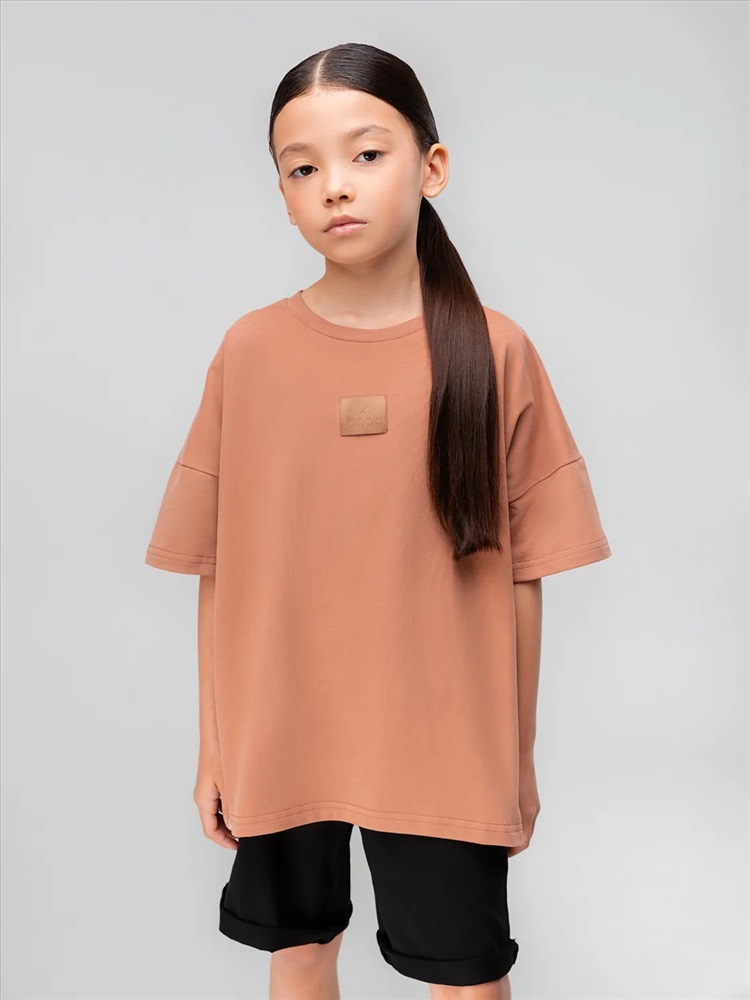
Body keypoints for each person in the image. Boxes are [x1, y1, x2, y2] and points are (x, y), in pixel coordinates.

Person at [144, 41, 612, 1000]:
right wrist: (216, 748)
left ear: (431, 167)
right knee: (299, 954)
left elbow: (523, 578)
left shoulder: (495, 352)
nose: (334, 186)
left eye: (366, 154)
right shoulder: (251, 352)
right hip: (283, 730)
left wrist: (514, 758)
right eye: (301, 168)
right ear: (282, 193)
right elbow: (218, 566)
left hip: (445, 745)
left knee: (466, 977)